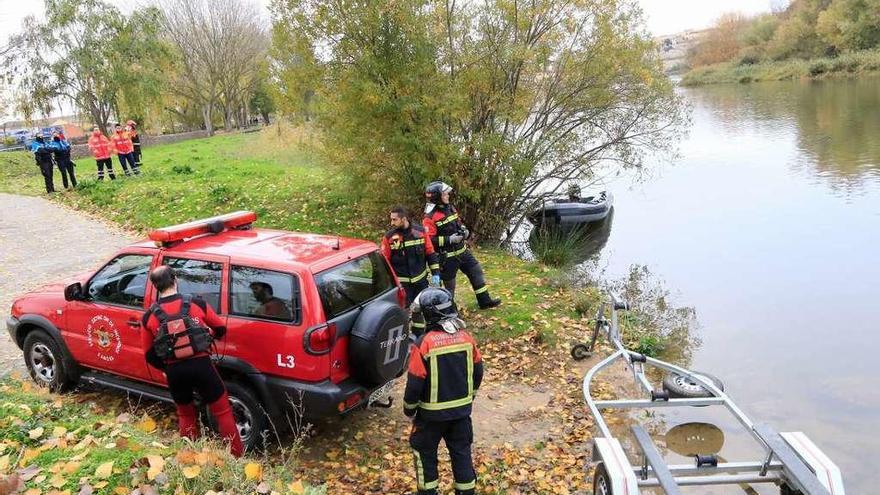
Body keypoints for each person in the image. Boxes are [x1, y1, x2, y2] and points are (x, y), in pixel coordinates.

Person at [141, 266, 244, 457]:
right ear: (175, 279)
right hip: (202, 366)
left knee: (186, 414)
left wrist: (166, 368)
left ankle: (190, 460)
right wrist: (208, 335)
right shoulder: (196, 303)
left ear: (155, 287)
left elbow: (149, 354)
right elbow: (221, 328)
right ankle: (236, 457)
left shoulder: (149, 316)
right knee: (222, 412)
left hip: (175, 371)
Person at [404, 287, 482, 495]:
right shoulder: (467, 338)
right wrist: (470, 397)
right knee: (461, 453)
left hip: (430, 418)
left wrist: (409, 409)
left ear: (428, 315)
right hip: (461, 415)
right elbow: (478, 371)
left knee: (424, 452)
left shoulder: (424, 344)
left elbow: (414, 383)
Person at [423, 181, 501, 309]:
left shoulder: (450, 207)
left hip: (463, 252)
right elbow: (429, 240)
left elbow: (458, 223)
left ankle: (485, 301)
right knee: (450, 288)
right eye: (444, 194)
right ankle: (450, 312)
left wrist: (464, 231)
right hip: (446, 258)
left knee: (476, 272)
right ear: (437, 197)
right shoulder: (429, 217)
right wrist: (449, 240)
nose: (448, 195)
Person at [381, 205, 441, 336]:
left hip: (421, 282)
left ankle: (419, 336)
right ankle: (403, 339)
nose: (392, 223)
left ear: (403, 219)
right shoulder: (389, 238)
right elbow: (384, 263)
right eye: (391, 219)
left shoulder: (420, 232)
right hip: (403, 286)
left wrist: (436, 274)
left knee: (421, 310)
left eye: (394, 219)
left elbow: (430, 253)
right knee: (404, 313)